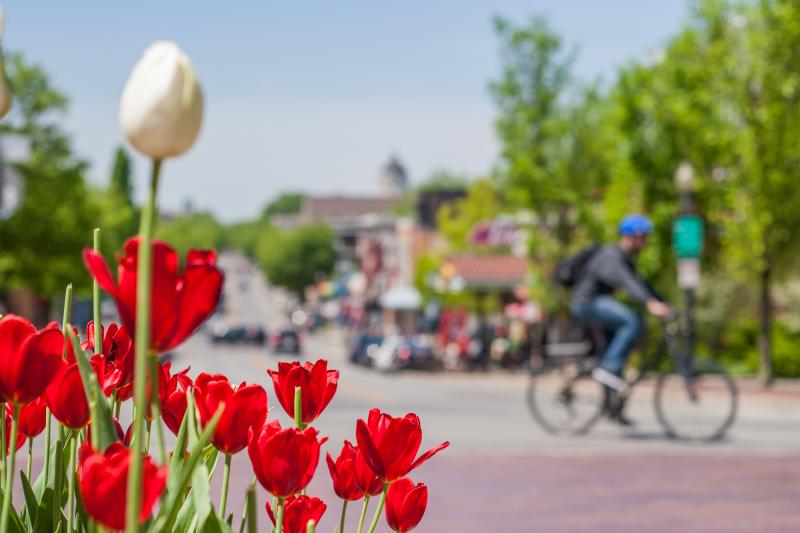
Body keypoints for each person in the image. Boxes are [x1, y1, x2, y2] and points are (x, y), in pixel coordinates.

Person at [571, 214, 671, 405]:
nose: (646, 241)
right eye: (644, 236)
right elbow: (628, 282)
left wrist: (661, 301)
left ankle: (612, 406)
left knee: (616, 350)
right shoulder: (612, 256)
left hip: (598, 303)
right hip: (587, 304)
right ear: (631, 236)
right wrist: (650, 303)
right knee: (632, 321)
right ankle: (608, 369)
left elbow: (640, 283)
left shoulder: (626, 258)